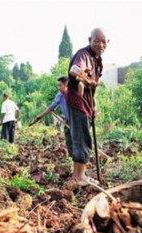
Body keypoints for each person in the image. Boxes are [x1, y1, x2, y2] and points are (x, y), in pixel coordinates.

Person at [66, 27, 108, 186]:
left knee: (83, 136)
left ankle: (80, 174)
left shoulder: (98, 61)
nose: (100, 44)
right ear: (90, 40)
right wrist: (86, 78)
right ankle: (79, 176)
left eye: (104, 42)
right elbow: (74, 70)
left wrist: (94, 106)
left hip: (87, 104)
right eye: (97, 40)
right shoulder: (83, 55)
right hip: (77, 102)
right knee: (81, 137)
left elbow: (93, 89)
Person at [33, 76, 73, 158]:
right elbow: (52, 107)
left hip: (76, 120)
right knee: (68, 138)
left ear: (66, 85)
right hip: (68, 120)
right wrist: (40, 116)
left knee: (78, 139)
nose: (58, 88)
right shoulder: (60, 95)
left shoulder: (73, 93)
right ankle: (72, 157)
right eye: (58, 85)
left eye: (60, 85)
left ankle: (81, 156)